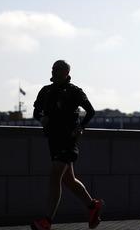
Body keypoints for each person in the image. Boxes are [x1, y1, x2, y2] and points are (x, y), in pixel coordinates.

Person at [31, 60, 103, 230]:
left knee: (55, 176)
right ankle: (93, 206)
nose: (54, 72)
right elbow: (36, 111)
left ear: (66, 73)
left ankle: (47, 220)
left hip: (68, 139)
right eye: (53, 69)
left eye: (58, 70)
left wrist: (80, 127)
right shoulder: (46, 91)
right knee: (69, 180)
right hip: (53, 140)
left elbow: (90, 111)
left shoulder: (74, 91)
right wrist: (41, 118)